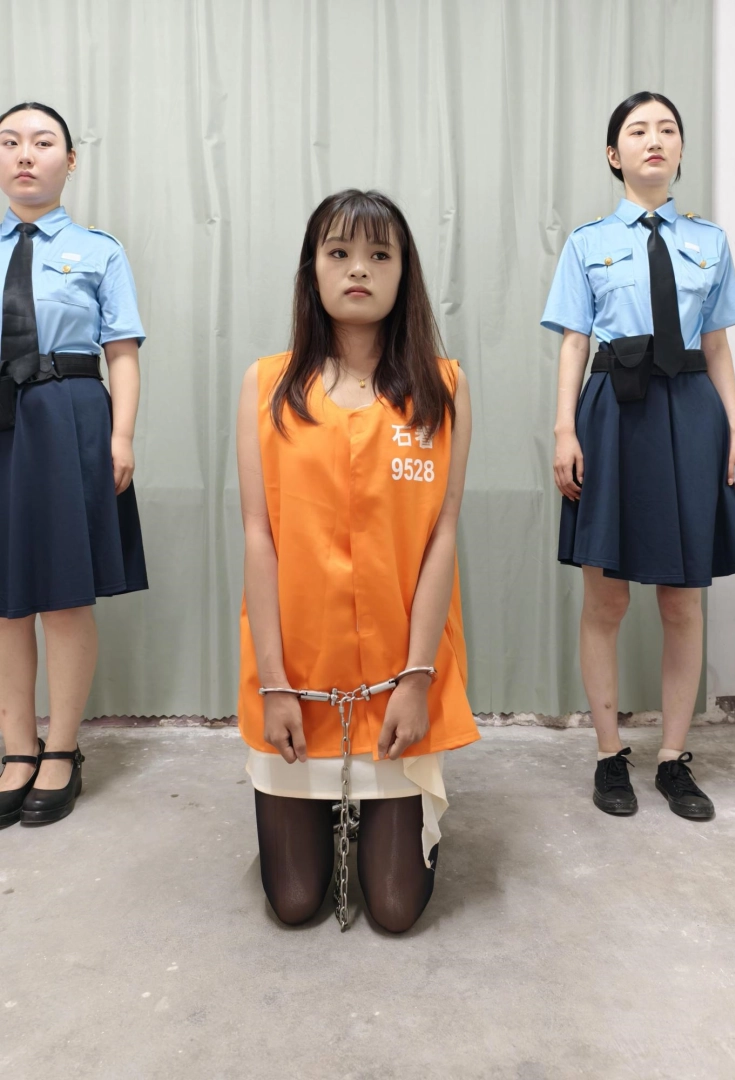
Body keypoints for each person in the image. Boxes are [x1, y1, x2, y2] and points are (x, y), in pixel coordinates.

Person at [237, 189, 478, 932]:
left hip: (400, 683)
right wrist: (275, 686)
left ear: (405, 272)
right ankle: (316, 803)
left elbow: (442, 535)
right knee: (295, 902)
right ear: (312, 270)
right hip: (296, 682)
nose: (359, 270)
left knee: (397, 910)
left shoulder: (443, 388)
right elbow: (258, 536)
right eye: (338, 253)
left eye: (380, 254)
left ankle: (381, 810)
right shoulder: (266, 386)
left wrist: (417, 679)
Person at [541, 92, 735, 821]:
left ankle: (672, 758)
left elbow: (716, 344)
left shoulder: (710, 243)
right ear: (615, 155)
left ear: (681, 150)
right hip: (612, 414)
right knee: (606, 597)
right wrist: (564, 429)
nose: (653, 139)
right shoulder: (587, 243)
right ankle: (609, 754)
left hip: (690, 415)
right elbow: (574, 341)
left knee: (682, 598)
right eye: (637, 130)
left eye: (667, 129)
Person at [0, 102, 147, 828]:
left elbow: (122, 352)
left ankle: (60, 747)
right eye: (9, 143)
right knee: (5, 597)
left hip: (69, 417)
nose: (25, 155)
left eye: (42, 142)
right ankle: (15, 748)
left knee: (62, 591)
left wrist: (122, 437)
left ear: (70, 159)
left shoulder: (98, 251)